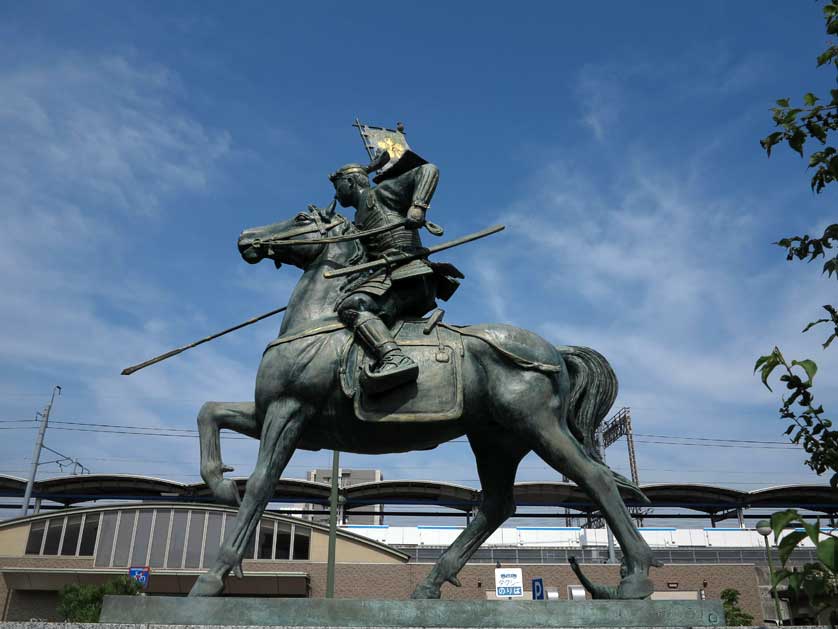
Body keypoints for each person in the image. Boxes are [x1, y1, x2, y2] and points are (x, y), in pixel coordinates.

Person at [328, 157, 460, 394]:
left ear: (349, 181)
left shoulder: (379, 195)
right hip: (391, 278)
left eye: (338, 187)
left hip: (409, 274)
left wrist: (418, 205)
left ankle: (394, 358)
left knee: (352, 307)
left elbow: (429, 170)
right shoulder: (358, 219)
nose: (337, 195)